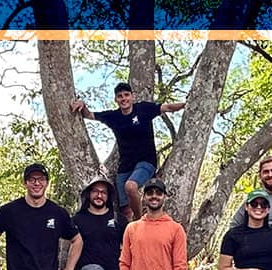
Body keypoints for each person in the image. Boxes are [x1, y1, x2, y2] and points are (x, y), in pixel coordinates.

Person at [70, 83, 186, 219]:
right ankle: (130, 231)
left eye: (126, 95)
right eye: (120, 96)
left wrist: (185, 104)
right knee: (124, 210)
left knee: (131, 187)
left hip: (146, 162)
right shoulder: (113, 116)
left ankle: (138, 221)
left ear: (132, 96)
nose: (123, 98)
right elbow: (89, 115)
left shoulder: (143, 109)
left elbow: (167, 107)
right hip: (125, 166)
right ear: (116, 100)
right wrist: (82, 104)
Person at [72, 176, 127, 270]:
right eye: (95, 191)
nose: (99, 195)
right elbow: (67, 251)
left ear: (108, 196)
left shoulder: (119, 220)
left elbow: (129, 251)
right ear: (88, 194)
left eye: (103, 192)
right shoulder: (76, 220)